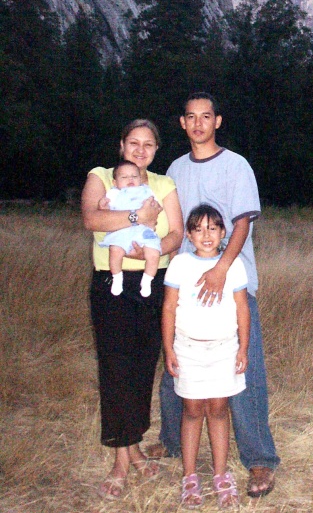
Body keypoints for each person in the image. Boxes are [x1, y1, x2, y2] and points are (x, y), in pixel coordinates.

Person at [146, 92, 280, 498]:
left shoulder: (236, 165)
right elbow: (174, 229)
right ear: (183, 124)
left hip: (232, 284)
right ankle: (172, 442)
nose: (199, 123)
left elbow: (242, 223)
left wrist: (222, 269)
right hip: (186, 285)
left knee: (244, 372)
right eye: (191, 117)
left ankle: (259, 460)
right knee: (176, 369)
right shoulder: (174, 169)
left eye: (207, 116)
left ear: (217, 121)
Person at [81, 119, 184, 501]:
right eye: (134, 143)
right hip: (113, 282)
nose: (140, 150)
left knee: (142, 367)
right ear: (122, 144)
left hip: (154, 284)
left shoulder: (163, 184)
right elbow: (92, 219)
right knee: (116, 368)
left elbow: (176, 232)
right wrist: (136, 219)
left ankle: (134, 447)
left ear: (156, 150)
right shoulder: (103, 177)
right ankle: (121, 461)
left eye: (149, 145)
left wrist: (155, 247)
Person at [162, 203, 250, 509]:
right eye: (198, 229)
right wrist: (169, 348)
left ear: (223, 232)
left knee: (218, 409)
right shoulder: (180, 265)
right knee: (192, 410)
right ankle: (189, 476)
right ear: (188, 234)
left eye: (213, 227)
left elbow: (242, 308)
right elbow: (169, 308)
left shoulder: (233, 265)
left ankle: (221, 475)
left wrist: (243, 347)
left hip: (224, 348)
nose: (206, 234)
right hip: (188, 348)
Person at [99, 160, 162, 297]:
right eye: (124, 177)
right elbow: (106, 214)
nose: (130, 180)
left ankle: (147, 280)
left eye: (134, 176)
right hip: (122, 230)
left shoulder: (146, 190)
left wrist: (153, 208)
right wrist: (104, 207)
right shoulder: (113, 193)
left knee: (154, 253)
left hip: (143, 230)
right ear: (115, 183)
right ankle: (117, 277)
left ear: (140, 179)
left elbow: (157, 207)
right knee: (115, 251)